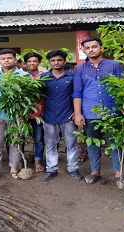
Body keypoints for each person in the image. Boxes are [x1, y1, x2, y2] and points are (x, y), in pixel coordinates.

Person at [72, 37, 124, 184]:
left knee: (115, 142)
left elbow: (122, 88)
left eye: (94, 47)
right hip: (90, 112)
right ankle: (95, 171)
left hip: (113, 111)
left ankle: (119, 172)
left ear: (101, 48)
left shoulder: (115, 66)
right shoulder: (80, 69)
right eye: (87, 48)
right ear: (84, 50)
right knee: (93, 143)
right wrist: (78, 113)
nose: (91, 50)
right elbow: (77, 92)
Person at [0, 49, 30, 182]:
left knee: (15, 143)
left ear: (15, 60)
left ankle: (14, 168)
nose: (6, 60)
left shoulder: (24, 76)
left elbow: (28, 97)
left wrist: (24, 113)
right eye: (3, 58)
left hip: (17, 115)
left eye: (9, 58)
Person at [40, 49, 82, 182]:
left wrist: (76, 112)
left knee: (71, 144)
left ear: (64, 61)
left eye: (59, 60)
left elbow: (78, 95)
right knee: (51, 144)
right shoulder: (44, 77)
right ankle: (51, 169)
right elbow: (38, 96)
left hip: (68, 117)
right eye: (53, 60)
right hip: (49, 116)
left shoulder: (72, 77)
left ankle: (73, 168)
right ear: (49, 62)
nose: (56, 63)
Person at [23, 51, 45, 172]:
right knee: (21, 137)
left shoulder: (43, 76)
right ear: (25, 63)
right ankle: (20, 159)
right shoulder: (21, 77)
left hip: (38, 113)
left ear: (39, 62)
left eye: (35, 61)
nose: (32, 63)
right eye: (30, 61)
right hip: (23, 114)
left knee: (39, 139)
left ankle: (38, 160)